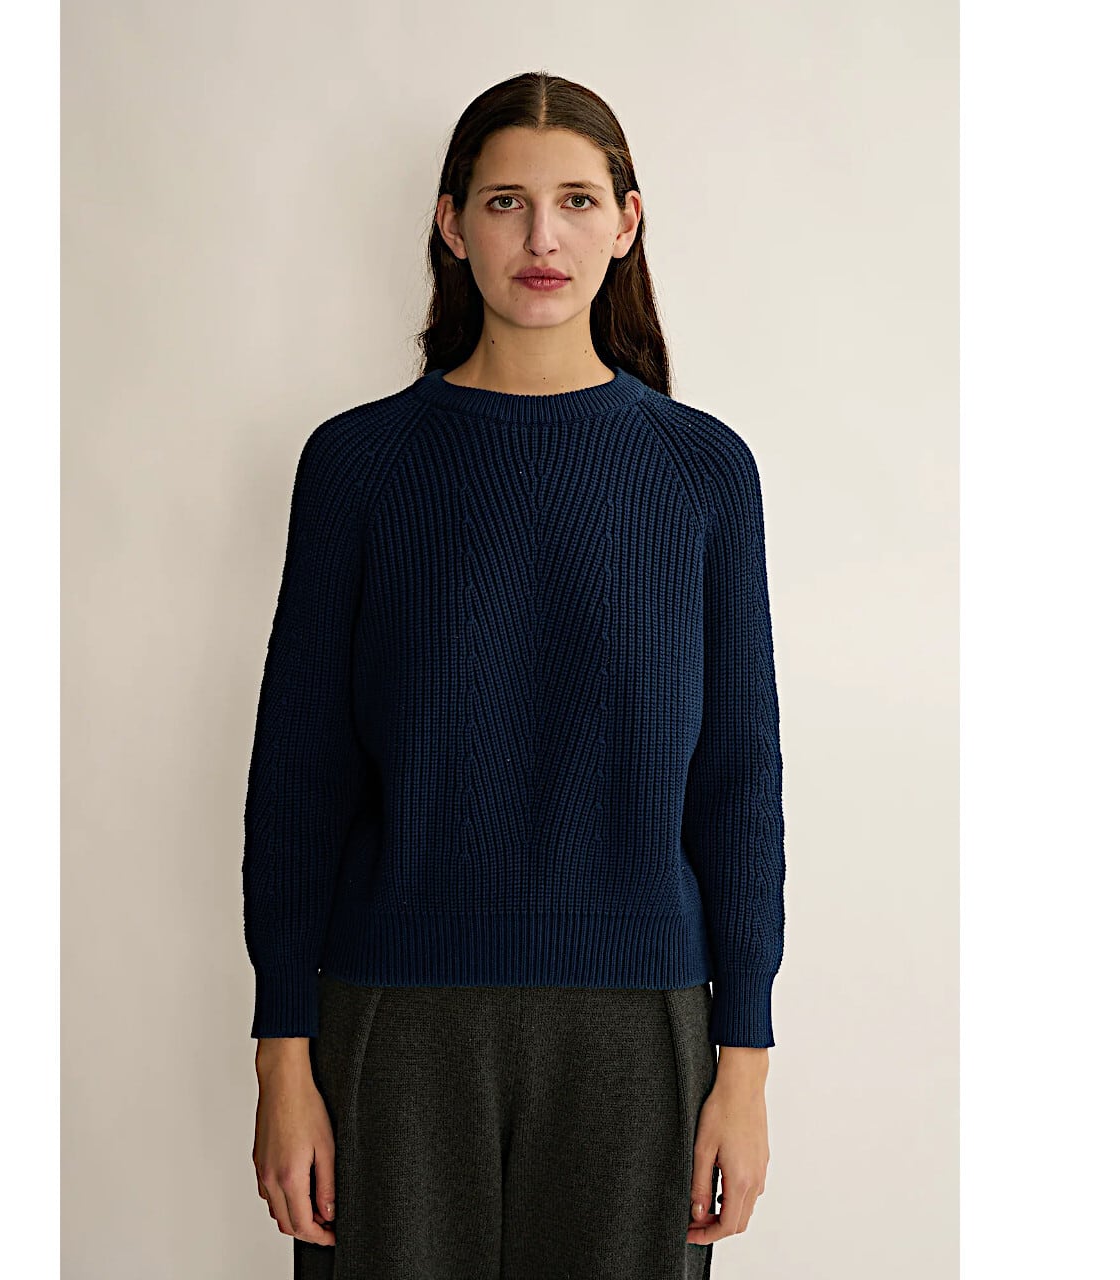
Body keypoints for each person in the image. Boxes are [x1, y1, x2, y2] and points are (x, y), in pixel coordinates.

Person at [243, 70, 786, 1280]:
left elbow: (738, 786)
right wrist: (282, 1053)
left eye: (576, 201)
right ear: (451, 224)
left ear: (625, 223)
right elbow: (297, 779)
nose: (542, 237)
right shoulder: (357, 465)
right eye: (505, 202)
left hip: (638, 1027)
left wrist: (741, 1066)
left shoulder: (701, 473)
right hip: (393, 1015)